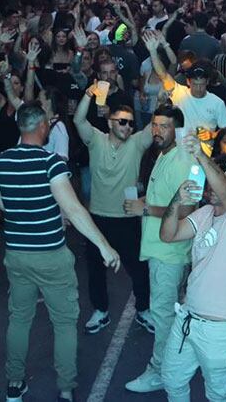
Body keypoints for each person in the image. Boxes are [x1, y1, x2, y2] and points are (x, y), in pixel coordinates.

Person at [0, 101, 121, 402]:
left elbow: (3, 204)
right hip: (50, 254)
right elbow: (73, 209)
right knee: (63, 323)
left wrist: (37, 210)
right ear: (42, 126)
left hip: (16, 254)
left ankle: (14, 384)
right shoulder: (51, 163)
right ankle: (65, 386)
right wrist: (105, 245)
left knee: (19, 319)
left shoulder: (1, 161)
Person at [157, 139, 226, 402]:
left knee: (220, 395)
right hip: (187, 320)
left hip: (219, 331)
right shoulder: (203, 214)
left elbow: (224, 193)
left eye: (222, 181)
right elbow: (169, 235)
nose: (213, 187)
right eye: (212, 180)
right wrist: (176, 202)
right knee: (172, 379)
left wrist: (202, 155)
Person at [123, 104, 197, 394]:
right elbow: (170, 197)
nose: (156, 130)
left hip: (168, 252)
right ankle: (178, 363)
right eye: (154, 125)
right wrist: (145, 200)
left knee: (163, 314)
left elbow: (188, 208)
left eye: (164, 126)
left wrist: (145, 208)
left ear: (177, 130)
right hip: (165, 249)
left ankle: (160, 372)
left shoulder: (179, 160)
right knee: (171, 313)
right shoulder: (166, 155)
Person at [73, 85, 155, 335]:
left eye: (130, 123)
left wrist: (164, 98)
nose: (127, 127)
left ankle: (143, 310)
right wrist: (89, 94)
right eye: (122, 122)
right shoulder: (95, 139)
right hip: (98, 219)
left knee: (139, 269)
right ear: (110, 123)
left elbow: (155, 125)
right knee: (96, 271)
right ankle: (101, 311)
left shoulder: (138, 143)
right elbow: (78, 119)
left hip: (127, 219)